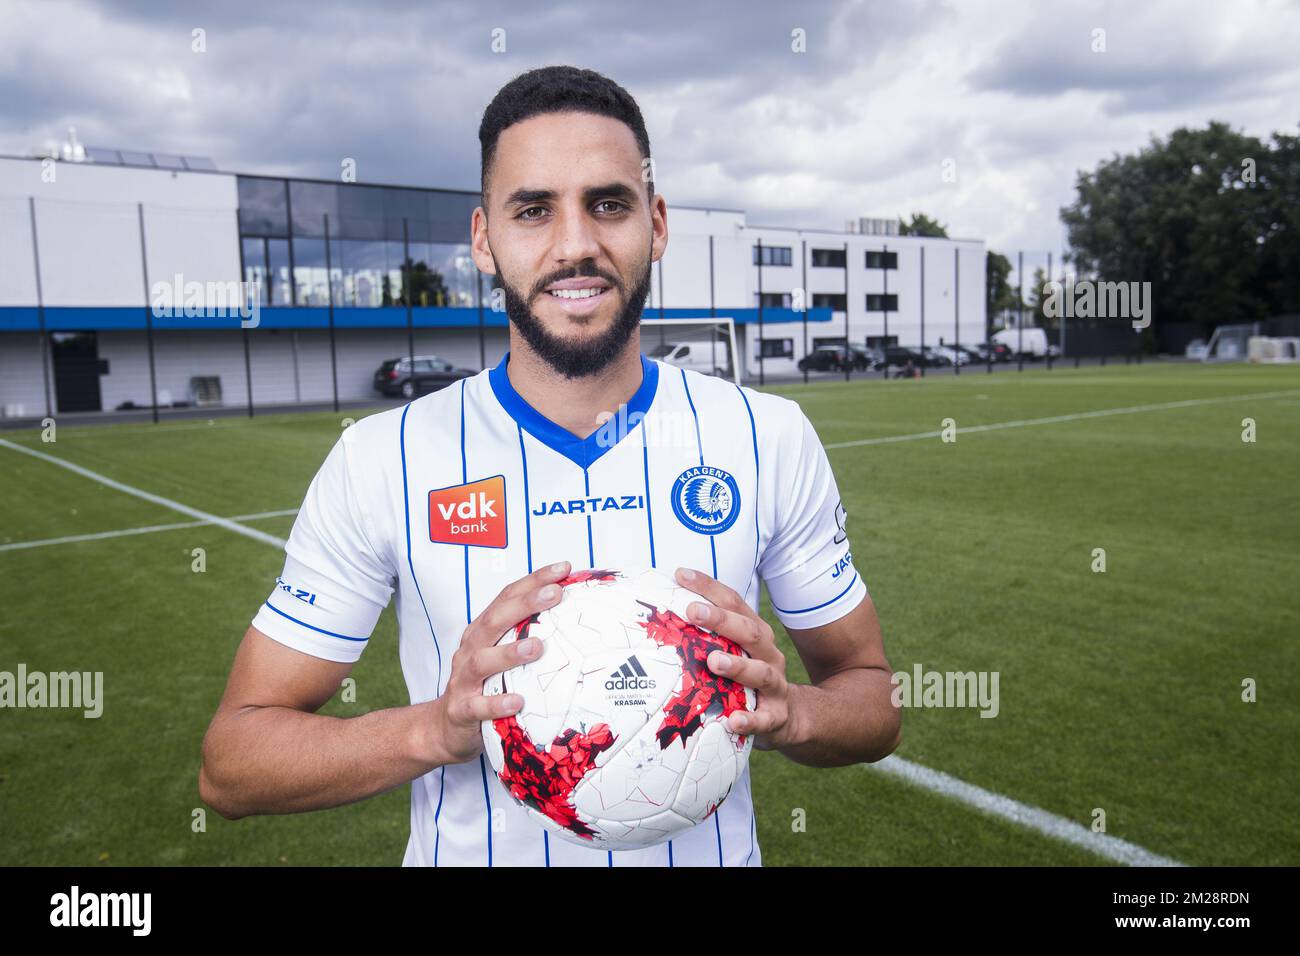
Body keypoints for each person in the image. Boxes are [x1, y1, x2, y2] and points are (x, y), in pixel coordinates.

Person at [199, 65, 900, 867]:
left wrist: (796, 713)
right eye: (533, 210)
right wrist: (435, 728)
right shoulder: (382, 458)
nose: (575, 245)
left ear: (657, 224)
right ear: (483, 240)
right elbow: (232, 763)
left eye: (609, 204)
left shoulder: (765, 435)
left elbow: (873, 699)